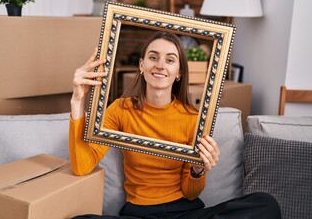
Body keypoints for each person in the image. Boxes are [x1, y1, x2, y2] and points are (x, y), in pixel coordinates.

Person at [69, 32, 281, 219]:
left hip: (185, 212)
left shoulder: (193, 118)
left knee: (265, 204)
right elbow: (82, 166)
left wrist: (198, 170)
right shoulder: (120, 109)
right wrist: (77, 101)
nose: (160, 65)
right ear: (142, 65)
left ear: (179, 72)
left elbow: (191, 193)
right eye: (153, 57)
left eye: (170, 60)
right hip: (139, 213)